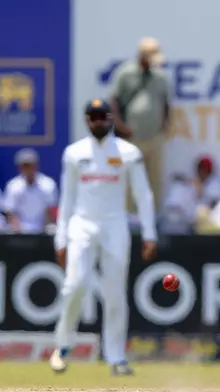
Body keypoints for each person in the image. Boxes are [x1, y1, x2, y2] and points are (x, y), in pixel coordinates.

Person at [50, 98, 157, 376]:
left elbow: (142, 194)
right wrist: (60, 238)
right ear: (86, 120)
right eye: (93, 116)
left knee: (114, 293)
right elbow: (68, 198)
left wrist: (149, 233)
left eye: (102, 116)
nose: (98, 121)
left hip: (115, 225)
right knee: (75, 284)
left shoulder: (127, 152)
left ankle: (116, 357)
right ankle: (62, 346)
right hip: (82, 224)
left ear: (110, 118)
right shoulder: (74, 153)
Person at [109, 37, 171, 211]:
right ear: (142, 56)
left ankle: (153, 217)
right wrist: (120, 125)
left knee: (154, 180)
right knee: (129, 179)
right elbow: (114, 101)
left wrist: (164, 126)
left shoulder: (160, 77)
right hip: (131, 137)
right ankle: (128, 216)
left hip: (154, 137)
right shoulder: (125, 73)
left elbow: (166, 103)